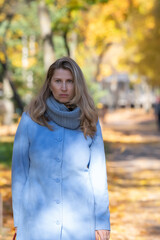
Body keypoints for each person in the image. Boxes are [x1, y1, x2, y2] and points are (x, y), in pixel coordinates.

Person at [11, 57, 111, 240]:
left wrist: (102, 221)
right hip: (37, 224)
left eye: (69, 81)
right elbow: (19, 175)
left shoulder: (90, 120)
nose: (63, 88)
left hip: (80, 224)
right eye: (58, 81)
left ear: (77, 84)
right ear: (49, 84)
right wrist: (19, 222)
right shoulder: (30, 119)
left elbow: (98, 176)